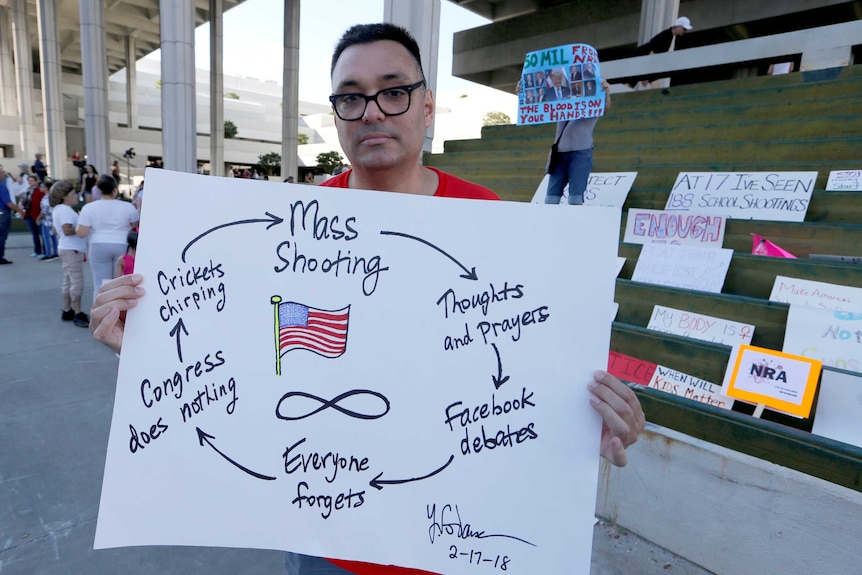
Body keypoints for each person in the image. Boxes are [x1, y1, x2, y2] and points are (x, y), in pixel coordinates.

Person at [89, 23, 645, 575]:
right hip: (326, 543)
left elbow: (517, 370)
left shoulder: (492, 221)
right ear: (336, 115)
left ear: (427, 106)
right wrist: (142, 343)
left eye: (393, 90)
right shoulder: (281, 229)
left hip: (453, 544)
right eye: (351, 97)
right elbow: (235, 356)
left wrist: (582, 425)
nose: (372, 110)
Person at [543, 79, 611, 206]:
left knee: (575, 198)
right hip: (560, 151)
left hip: (580, 151)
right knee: (551, 198)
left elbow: (605, 108)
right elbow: (539, 103)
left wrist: (606, 92)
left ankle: (574, 224)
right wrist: (523, 92)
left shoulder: (592, 102)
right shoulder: (564, 99)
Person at [76, 175, 139, 302]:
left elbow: (82, 233)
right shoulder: (127, 206)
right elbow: (135, 226)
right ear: (115, 189)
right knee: (121, 282)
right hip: (122, 243)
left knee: (100, 283)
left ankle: (99, 315)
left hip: (98, 244)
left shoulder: (88, 208)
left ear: (98, 190)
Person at [49, 180, 90, 327]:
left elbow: (57, 230)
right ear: (64, 196)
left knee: (67, 281)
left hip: (66, 248)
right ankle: (77, 313)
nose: (75, 196)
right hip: (72, 249)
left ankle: (67, 310)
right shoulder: (66, 210)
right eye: (72, 194)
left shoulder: (58, 209)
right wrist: (82, 228)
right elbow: (67, 230)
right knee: (77, 282)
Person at [628, 16, 693, 88]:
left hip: (643, 61)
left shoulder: (669, 35)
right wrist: (645, 74)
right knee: (631, 84)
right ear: (678, 27)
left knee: (652, 84)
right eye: (684, 29)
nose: (685, 31)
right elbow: (652, 54)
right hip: (640, 59)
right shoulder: (666, 36)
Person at [0, 164, 27, 264]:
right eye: (2, 172)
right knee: (1, 236)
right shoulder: (2, 187)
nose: (3, 174)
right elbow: (9, 203)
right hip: (3, 213)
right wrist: (20, 211)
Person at [20, 174, 45, 257]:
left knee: (42, 234)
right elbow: (23, 201)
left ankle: (44, 251)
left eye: (32, 180)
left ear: (36, 181)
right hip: (29, 214)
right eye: (29, 180)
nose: (30, 182)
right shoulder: (27, 190)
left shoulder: (39, 191)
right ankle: (37, 251)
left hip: (37, 214)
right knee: (35, 234)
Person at [37, 180, 59, 260]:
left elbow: (44, 210)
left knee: (46, 237)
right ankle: (55, 252)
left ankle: (48, 253)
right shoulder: (54, 196)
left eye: (42, 186)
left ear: (46, 188)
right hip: (53, 219)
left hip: (47, 220)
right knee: (53, 236)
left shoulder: (46, 198)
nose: (40, 188)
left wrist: (39, 218)